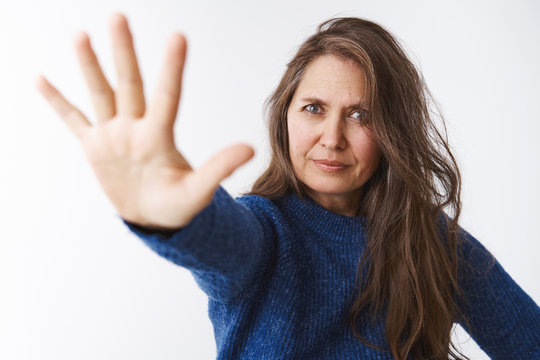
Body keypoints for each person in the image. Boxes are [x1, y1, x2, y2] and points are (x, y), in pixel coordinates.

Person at [36, 13, 540, 360]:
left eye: (360, 115)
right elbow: (222, 237)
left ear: (392, 134)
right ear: (286, 116)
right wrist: (171, 218)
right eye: (314, 108)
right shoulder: (265, 229)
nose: (332, 138)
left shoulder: (432, 240)